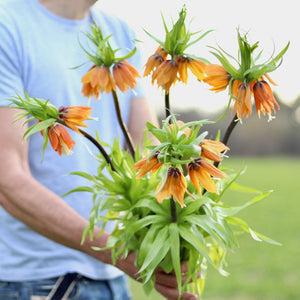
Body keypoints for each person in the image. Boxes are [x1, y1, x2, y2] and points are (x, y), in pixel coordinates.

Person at [0, 0, 199, 299]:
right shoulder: (7, 24)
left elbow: (145, 148)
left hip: (110, 276)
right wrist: (116, 251)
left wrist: (177, 228)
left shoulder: (119, 30)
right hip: (36, 280)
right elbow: (8, 179)